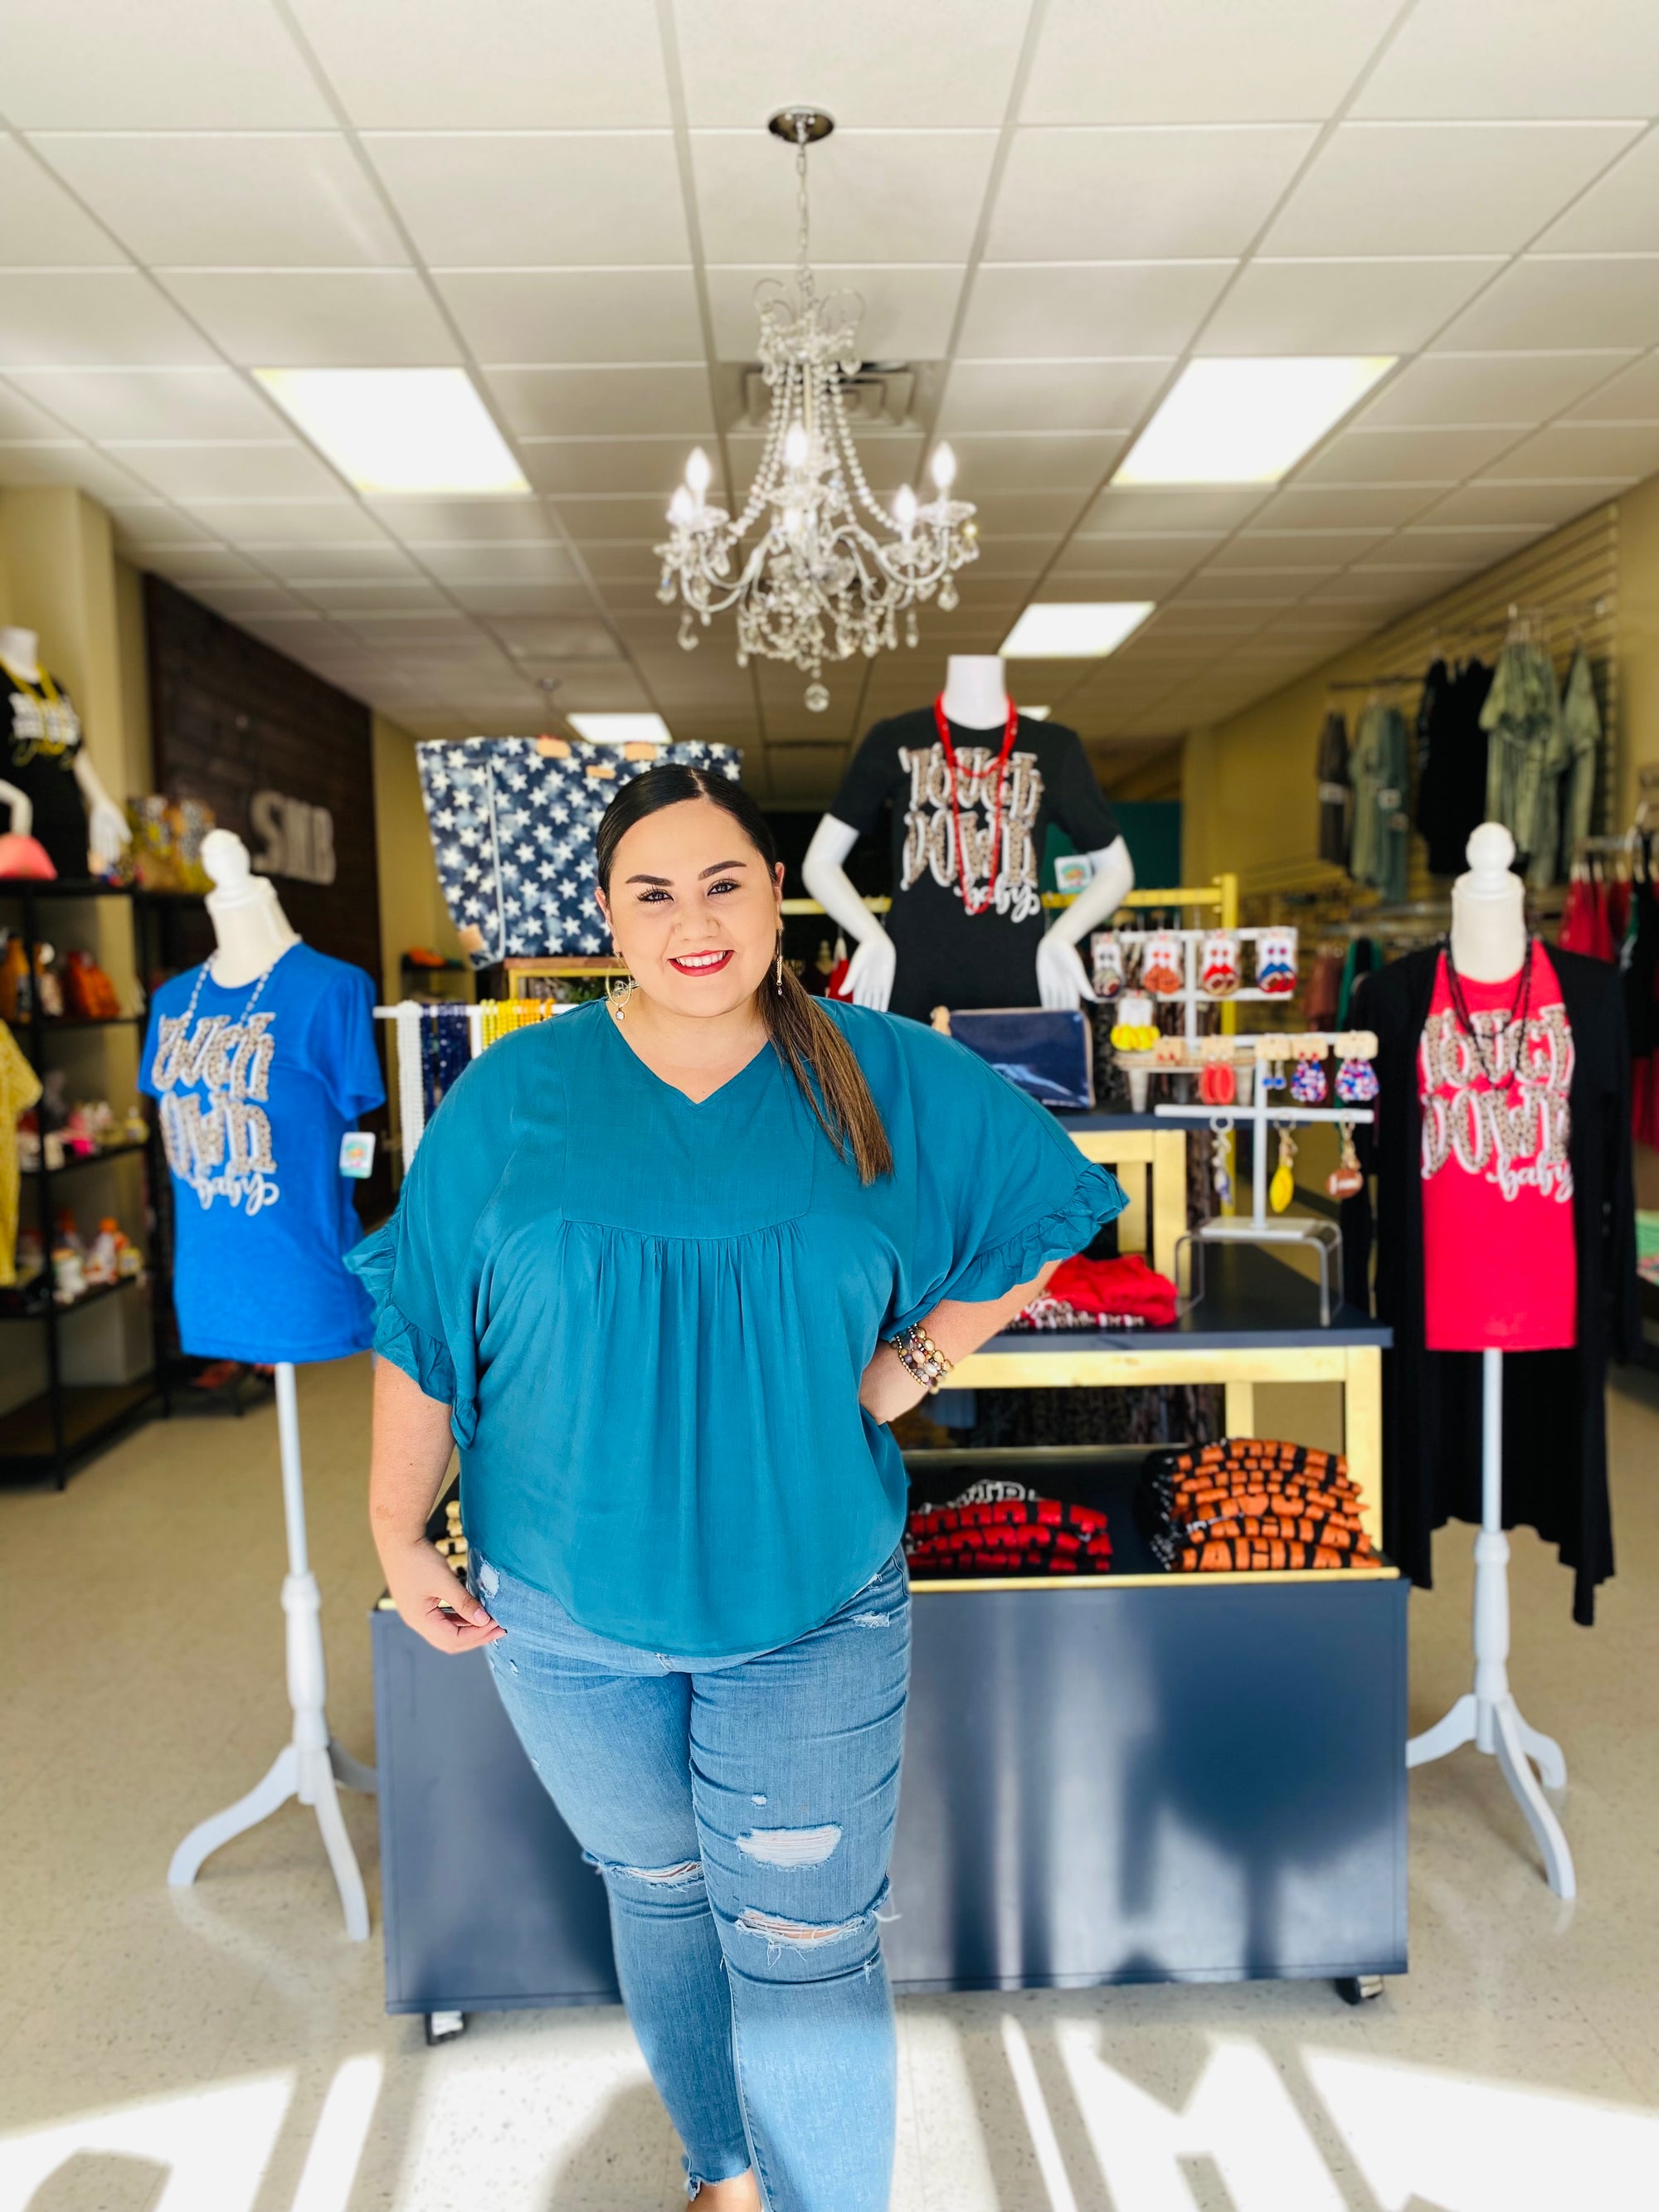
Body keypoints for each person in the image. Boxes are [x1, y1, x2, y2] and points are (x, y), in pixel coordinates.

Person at [355, 765, 1125, 2212]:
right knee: (654, 1893)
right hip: (563, 1612)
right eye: (653, 892)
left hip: (813, 1601)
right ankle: (725, 2177)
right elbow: (423, 1326)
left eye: (724, 884)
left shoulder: (884, 1072)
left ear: (778, 896)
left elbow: (1051, 1204)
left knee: (804, 1944)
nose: (693, 920)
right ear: (607, 917)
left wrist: (919, 1360)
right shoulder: (517, 1093)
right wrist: (398, 1531)